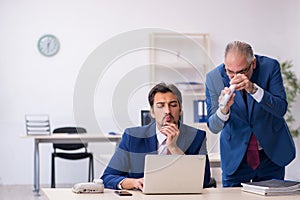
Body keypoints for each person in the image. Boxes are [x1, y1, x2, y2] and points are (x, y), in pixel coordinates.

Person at [205, 41, 296, 187]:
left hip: (270, 154)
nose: (235, 78)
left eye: (241, 72)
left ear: (253, 63)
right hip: (236, 156)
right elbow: (213, 126)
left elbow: (280, 109)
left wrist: (253, 89)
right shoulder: (214, 78)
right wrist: (223, 110)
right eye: (230, 72)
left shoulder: (270, 67)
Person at [101, 82, 211, 190]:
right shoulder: (132, 136)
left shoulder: (197, 137)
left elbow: (204, 180)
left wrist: (174, 148)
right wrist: (134, 182)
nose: (167, 111)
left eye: (173, 105)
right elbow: (107, 177)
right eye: (160, 106)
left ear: (180, 110)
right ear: (152, 112)